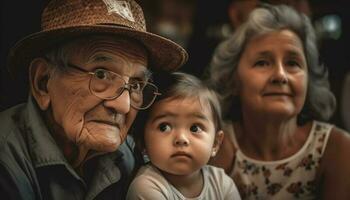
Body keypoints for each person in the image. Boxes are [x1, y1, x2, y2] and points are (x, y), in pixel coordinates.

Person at [0, 0, 188, 199]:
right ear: (43, 82)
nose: (123, 106)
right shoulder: (6, 160)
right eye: (101, 75)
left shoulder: (128, 157)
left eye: (135, 85)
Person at [207, 3, 350, 200]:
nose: (280, 75)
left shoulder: (337, 149)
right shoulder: (213, 146)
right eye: (262, 63)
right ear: (233, 79)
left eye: (293, 63)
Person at [126, 72, 241, 199]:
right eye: (164, 127)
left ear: (215, 143)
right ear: (142, 142)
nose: (181, 139)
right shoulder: (146, 187)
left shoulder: (222, 183)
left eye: (195, 128)